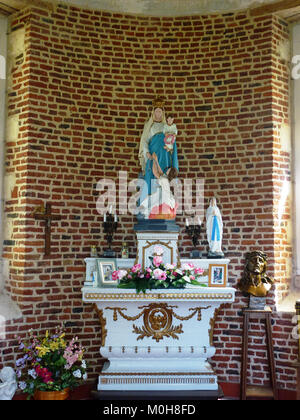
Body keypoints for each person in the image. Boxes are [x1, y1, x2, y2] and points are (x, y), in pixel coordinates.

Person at [138, 99, 179, 219]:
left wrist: (170, 147)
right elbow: (144, 141)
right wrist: (147, 153)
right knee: (153, 179)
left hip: (165, 156)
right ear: (153, 113)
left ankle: (163, 206)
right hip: (153, 155)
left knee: (163, 180)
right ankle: (152, 208)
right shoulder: (149, 126)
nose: (158, 114)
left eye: (160, 112)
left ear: (163, 114)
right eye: (156, 112)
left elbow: (172, 141)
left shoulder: (167, 126)